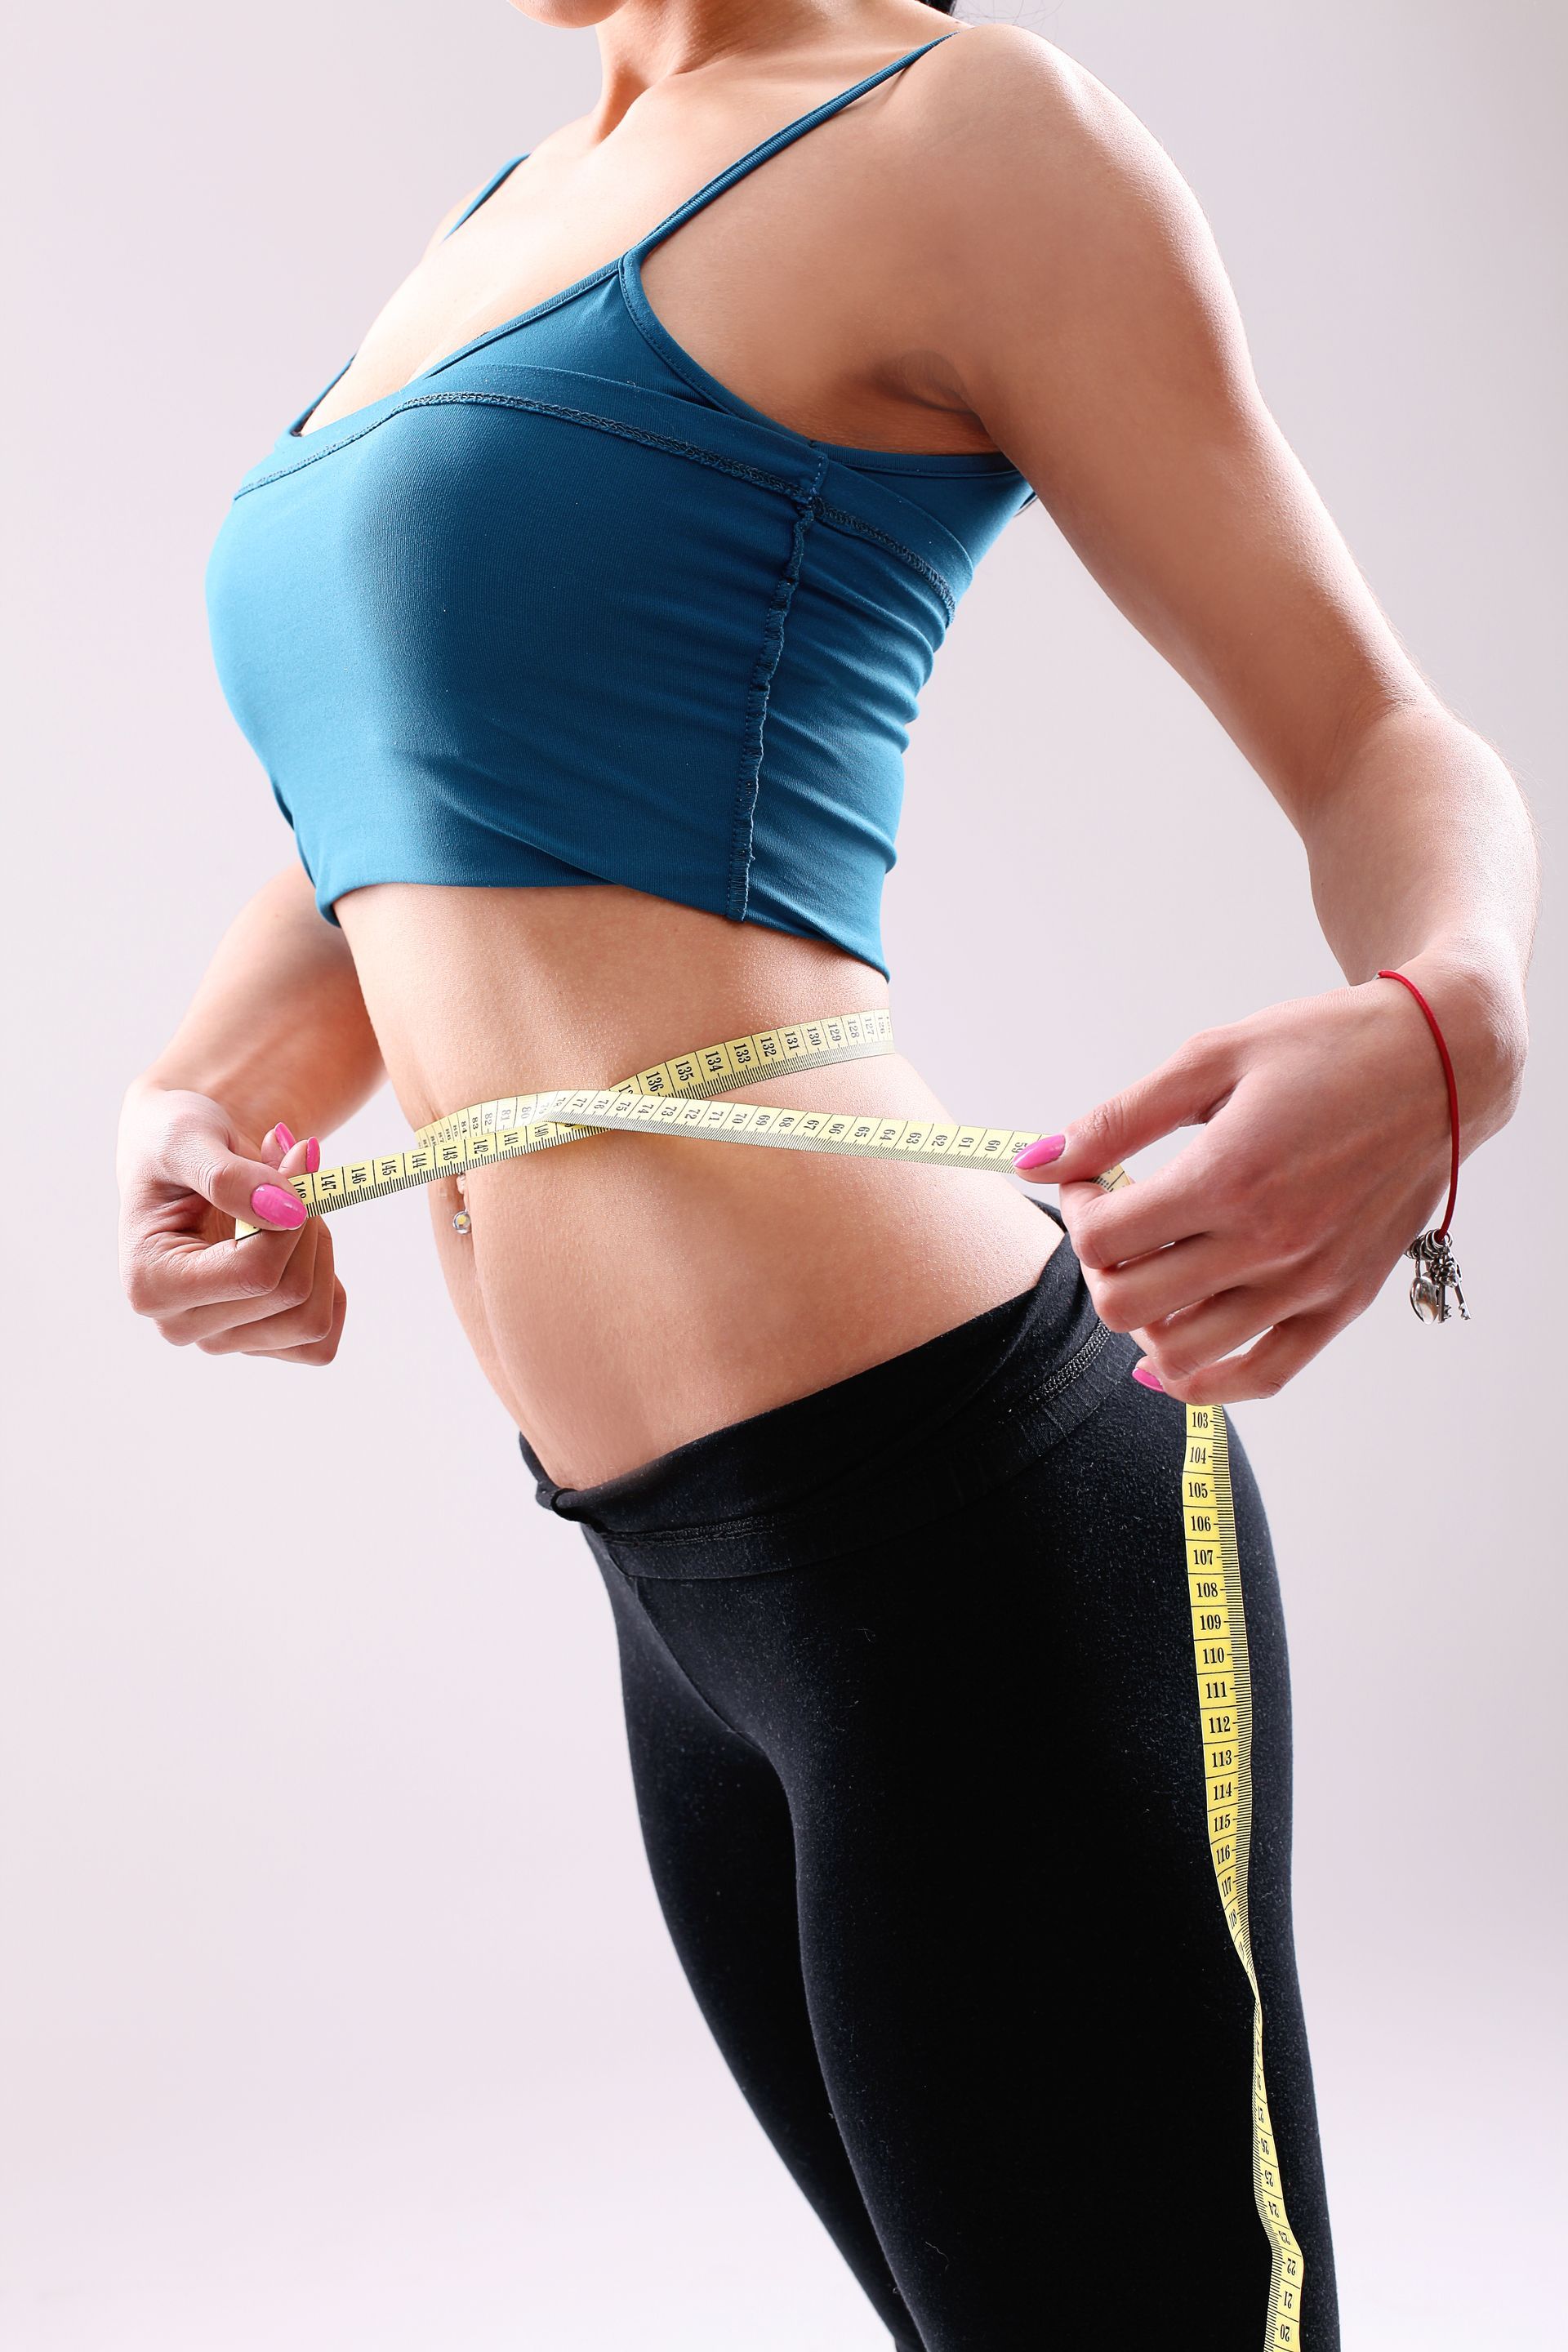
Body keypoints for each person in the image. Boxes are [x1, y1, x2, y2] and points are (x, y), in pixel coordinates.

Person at [115, 5, 1536, 2345]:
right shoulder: (501, 214)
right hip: (676, 1586)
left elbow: (1385, 736)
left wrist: (1448, 1022)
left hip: (965, 1520)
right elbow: (383, 840)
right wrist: (179, 1119)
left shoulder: (961, 133)